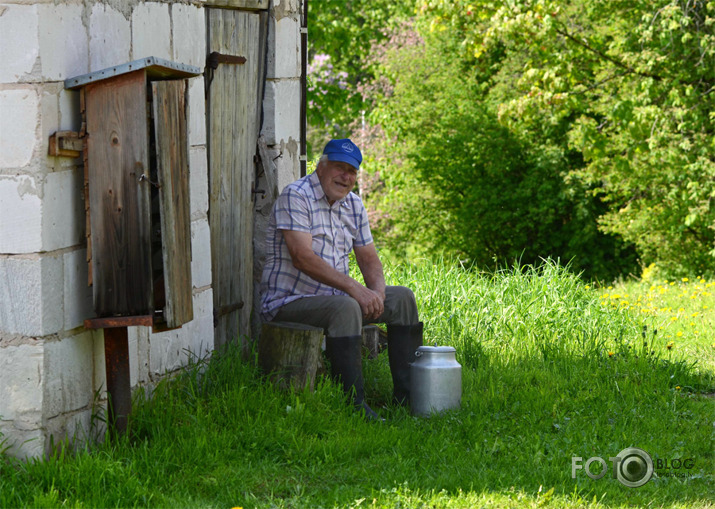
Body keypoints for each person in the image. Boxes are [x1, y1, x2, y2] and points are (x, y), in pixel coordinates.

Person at [260, 138, 423, 419]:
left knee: (403, 298)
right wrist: (356, 290)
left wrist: (378, 295)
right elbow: (302, 257)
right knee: (346, 306)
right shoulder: (296, 196)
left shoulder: (354, 204)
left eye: (352, 171)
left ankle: (408, 399)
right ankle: (354, 405)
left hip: (335, 300)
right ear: (321, 167)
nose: (345, 177)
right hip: (290, 302)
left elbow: (369, 259)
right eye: (339, 167)